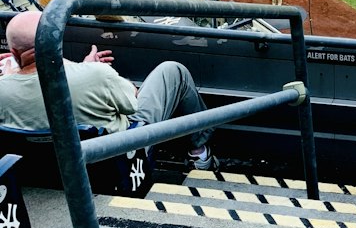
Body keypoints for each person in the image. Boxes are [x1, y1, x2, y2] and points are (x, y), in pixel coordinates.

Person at [0, 11, 214, 167]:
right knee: (172, 71)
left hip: (45, 171)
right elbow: (132, 101)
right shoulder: (95, 74)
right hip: (119, 160)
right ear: (56, 39)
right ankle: (200, 153)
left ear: (13, 53)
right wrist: (91, 69)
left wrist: (9, 76)